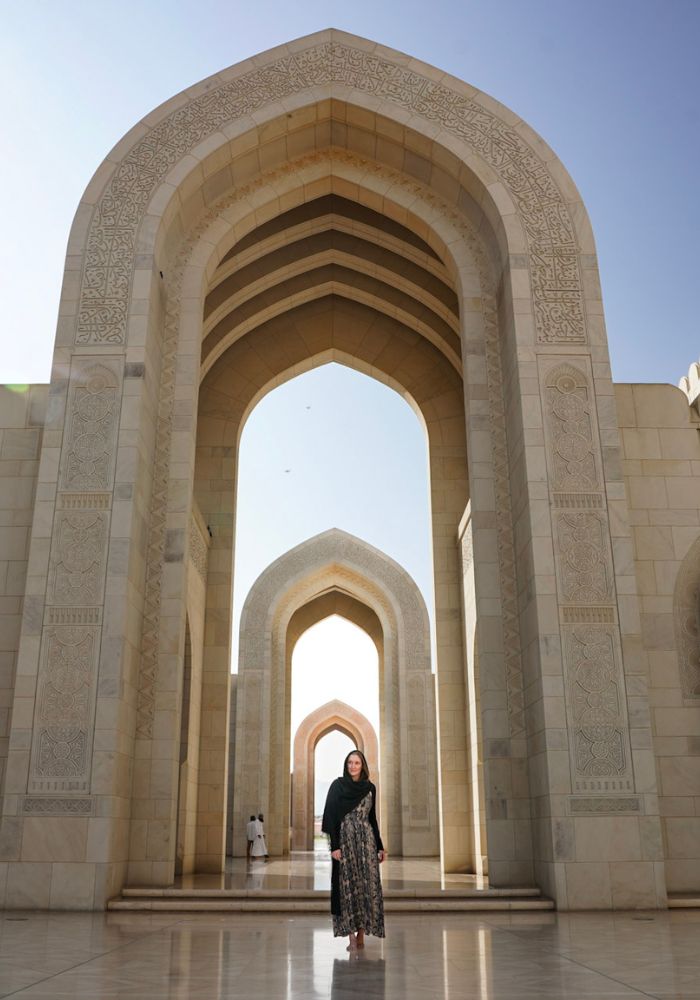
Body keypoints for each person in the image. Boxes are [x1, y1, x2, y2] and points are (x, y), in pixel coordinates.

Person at [322, 749, 386, 949]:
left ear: (362, 765)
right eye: (350, 762)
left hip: (366, 841)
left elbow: (372, 818)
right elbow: (331, 816)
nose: (353, 766)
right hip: (346, 839)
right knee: (347, 886)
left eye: (357, 763)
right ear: (346, 764)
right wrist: (335, 847)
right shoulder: (338, 786)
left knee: (366, 885)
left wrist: (380, 846)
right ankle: (350, 936)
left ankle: (362, 933)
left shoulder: (370, 788)